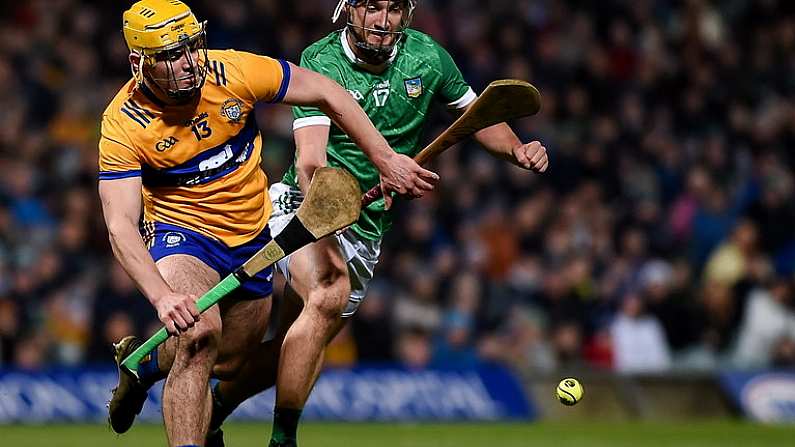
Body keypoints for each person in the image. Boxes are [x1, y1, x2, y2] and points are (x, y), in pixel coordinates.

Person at [206, 2, 549, 446]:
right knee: (329, 293)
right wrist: (377, 172)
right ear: (349, 10)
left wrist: (517, 150)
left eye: (392, 8)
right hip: (305, 206)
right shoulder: (322, 60)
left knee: (293, 348)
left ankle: (214, 410)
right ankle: (282, 440)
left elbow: (477, 118)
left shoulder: (428, 58)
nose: (381, 20)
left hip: (366, 232)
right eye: (370, 7)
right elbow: (310, 163)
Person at [99, 1, 435, 446]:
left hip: (252, 239)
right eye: (169, 56)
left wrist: (385, 158)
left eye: (191, 47)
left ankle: (143, 367)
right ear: (138, 63)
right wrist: (162, 297)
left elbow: (330, 93)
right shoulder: (122, 124)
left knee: (230, 363)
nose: (186, 64)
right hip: (184, 237)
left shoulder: (234, 71)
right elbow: (121, 225)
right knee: (199, 335)